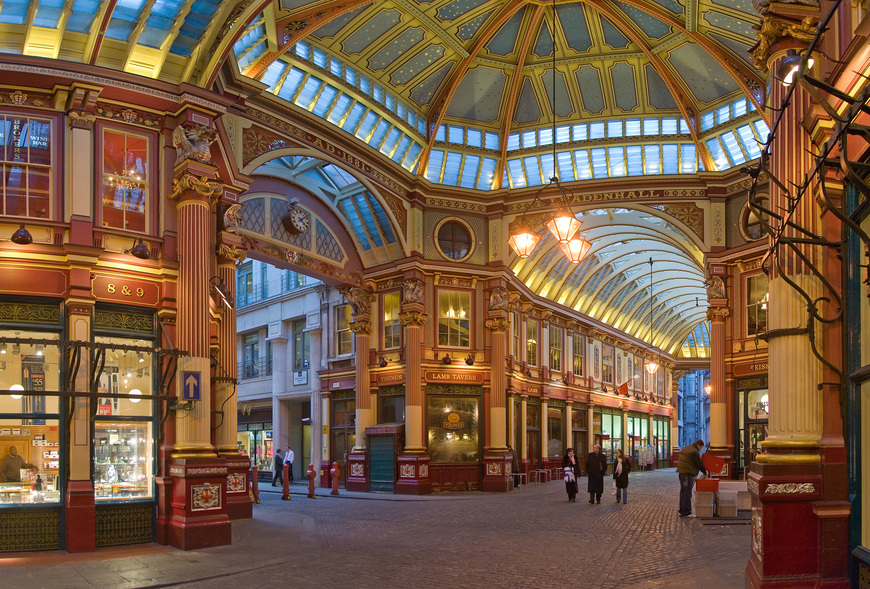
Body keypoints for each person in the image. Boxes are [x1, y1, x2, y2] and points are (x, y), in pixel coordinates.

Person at [677, 439, 708, 517]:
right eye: (701, 447)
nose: (700, 449)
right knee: (687, 492)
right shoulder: (694, 451)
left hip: (682, 473)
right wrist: (704, 472)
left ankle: (682, 510)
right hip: (688, 473)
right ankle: (687, 512)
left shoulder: (685, 448)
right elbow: (698, 463)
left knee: (683, 491)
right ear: (699, 445)